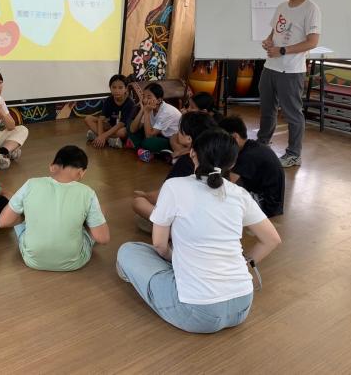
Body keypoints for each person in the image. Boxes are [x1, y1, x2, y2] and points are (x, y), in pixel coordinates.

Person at [117, 128, 282, 333]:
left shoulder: (174, 186)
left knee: (128, 251)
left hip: (197, 313)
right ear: (232, 163)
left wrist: (173, 258)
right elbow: (272, 239)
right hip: (242, 305)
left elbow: (159, 245)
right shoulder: (239, 193)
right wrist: (245, 264)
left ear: (192, 153)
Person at [0, 145, 110, 271]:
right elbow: (103, 238)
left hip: (32, 260)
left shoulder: (30, 184)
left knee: (21, 215)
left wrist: (24, 217)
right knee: (100, 211)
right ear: (81, 172)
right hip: (74, 261)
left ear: (52, 166)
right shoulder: (87, 193)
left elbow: (3, 222)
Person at [259, 0, 321, 168]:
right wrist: (268, 42)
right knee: (267, 109)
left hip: (292, 70)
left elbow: (312, 42)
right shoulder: (281, 7)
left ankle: (294, 154)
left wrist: (283, 50)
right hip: (271, 66)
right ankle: (262, 143)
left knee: (293, 114)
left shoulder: (311, 9)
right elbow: (274, 33)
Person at [132, 112, 217, 233]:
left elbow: (163, 196)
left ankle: (172, 232)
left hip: (188, 220)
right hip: (211, 219)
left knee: (138, 202)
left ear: (189, 138)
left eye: (180, 130)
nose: (177, 132)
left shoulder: (186, 161)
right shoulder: (217, 156)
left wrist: (145, 195)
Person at [219, 115, 285, 217]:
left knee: (223, 199)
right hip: (270, 199)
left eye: (223, 140)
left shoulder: (248, 156)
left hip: (266, 205)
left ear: (235, 137)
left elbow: (227, 186)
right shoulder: (252, 146)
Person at [127, 83, 182, 162]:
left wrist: (146, 112)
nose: (145, 100)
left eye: (149, 97)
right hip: (157, 134)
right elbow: (133, 129)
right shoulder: (149, 107)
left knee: (148, 142)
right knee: (130, 125)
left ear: (159, 100)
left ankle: (140, 148)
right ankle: (143, 150)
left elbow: (149, 136)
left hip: (172, 141)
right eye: (143, 96)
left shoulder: (167, 111)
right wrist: (142, 110)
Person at [85, 74, 135, 149]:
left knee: (122, 132)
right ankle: (109, 139)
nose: (117, 91)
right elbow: (101, 119)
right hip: (110, 126)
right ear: (110, 88)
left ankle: (98, 137)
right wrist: (101, 136)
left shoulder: (130, 103)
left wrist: (103, 136)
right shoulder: (108, 100)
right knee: (88, 118)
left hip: (121, 128)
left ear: (126, 89)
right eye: (114, 87)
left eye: (120, 88)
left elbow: (121, 124)